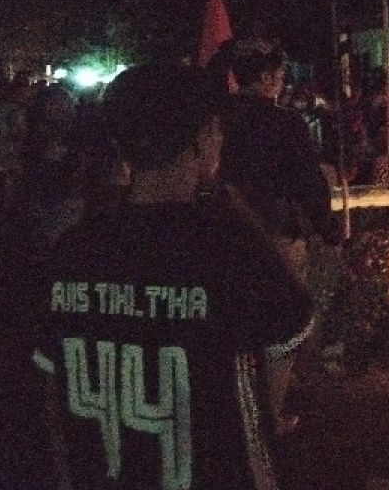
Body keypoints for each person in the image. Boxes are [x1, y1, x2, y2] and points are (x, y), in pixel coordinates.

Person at [30, 63, 314, 488]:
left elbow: (54, 394)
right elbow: (285, 342)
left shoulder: (73, 248)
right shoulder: (231, 245)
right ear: (203, 139)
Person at [218, 38, 342, 437]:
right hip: (274, 232)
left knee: (233, 322)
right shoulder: (285, 123)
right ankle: (268, 416)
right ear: (270, 77)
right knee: (282, 320)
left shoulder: (218, 120)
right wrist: (328, 228)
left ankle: (231, 408)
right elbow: (308, 183)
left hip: (224, 233)